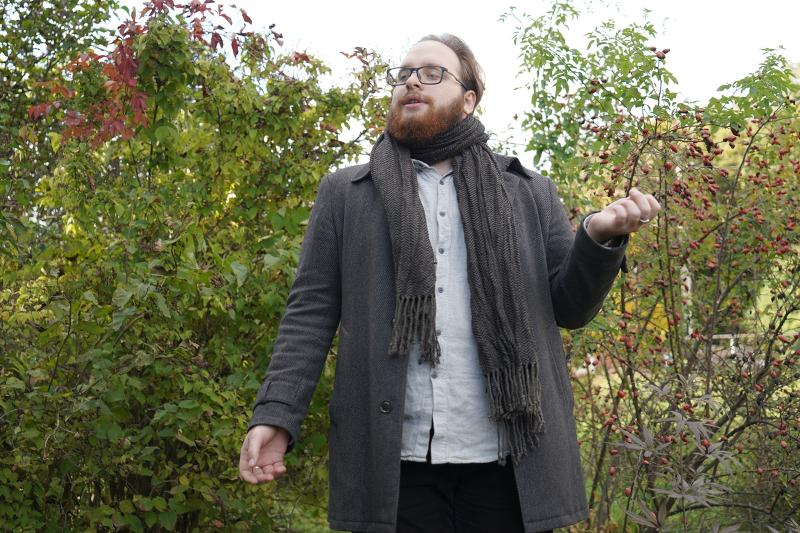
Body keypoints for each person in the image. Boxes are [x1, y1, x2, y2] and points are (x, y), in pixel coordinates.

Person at [238, 33, 660, 533]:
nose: (412, 81)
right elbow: (309, 316)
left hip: (509, 461)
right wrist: (277, 414)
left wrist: (596, 238)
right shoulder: (346, 194)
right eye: (404, 73)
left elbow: (570, 308)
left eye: (432, 72)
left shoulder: (528, 192)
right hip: (394, 466)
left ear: (468, 100)